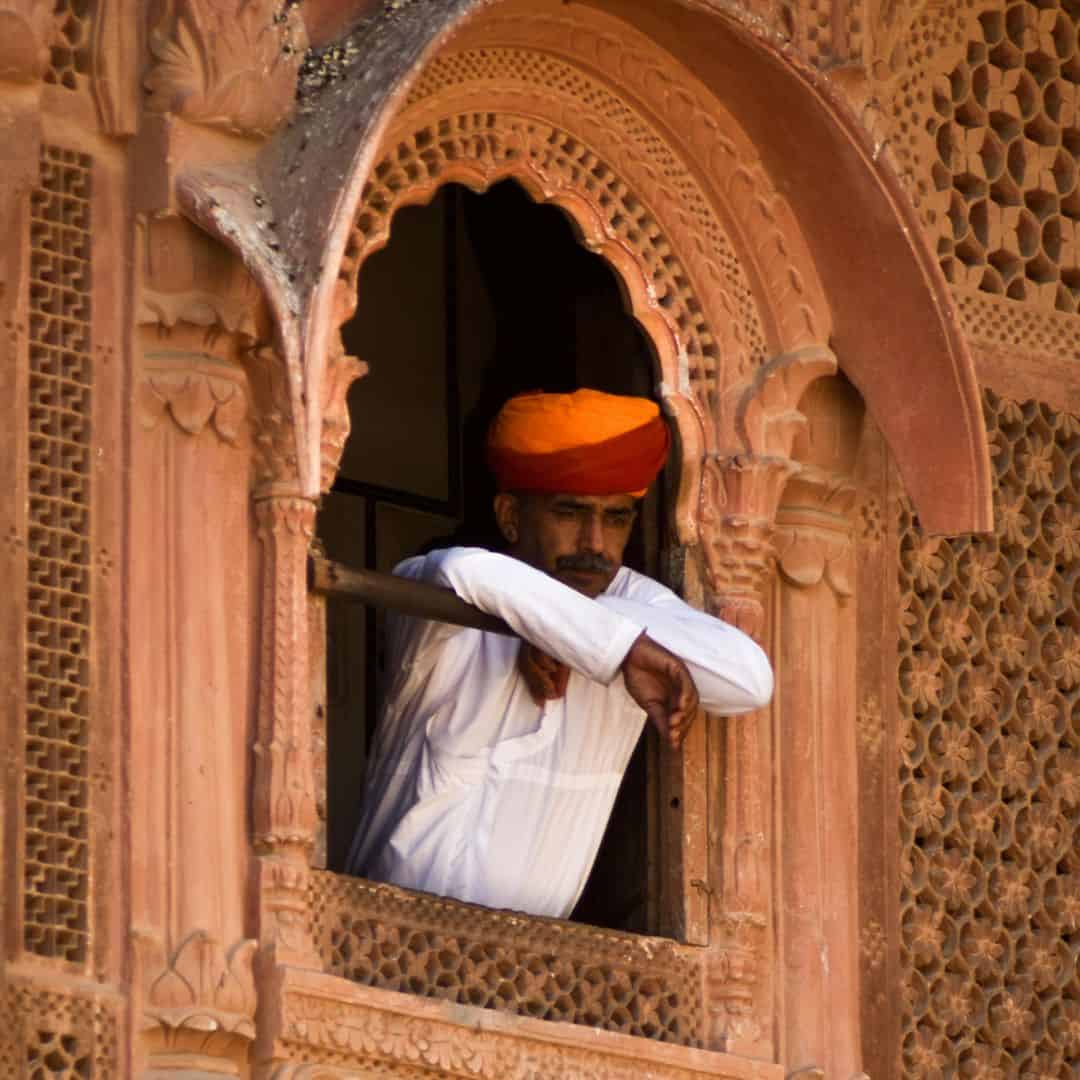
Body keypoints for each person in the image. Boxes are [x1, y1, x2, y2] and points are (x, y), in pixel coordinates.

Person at [346, 389, 773, 918]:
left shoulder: (626, 606)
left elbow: (750, 677)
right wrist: (613, 650)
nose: (594, 542)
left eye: (616, 518)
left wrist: (584, 637)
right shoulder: (441, 607)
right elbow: (465, 571)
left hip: (535, 977)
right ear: (509, 516)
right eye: (570, 512)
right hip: (387, 944)